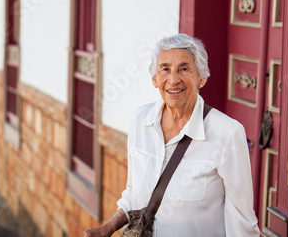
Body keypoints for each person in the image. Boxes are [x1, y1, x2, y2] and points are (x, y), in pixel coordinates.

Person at [84, 33, 260, 236]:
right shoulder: (140, 122)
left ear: (201, 78)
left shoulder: (227, 133)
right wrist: (109, 227)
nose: (173, 79)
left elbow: (242, 223)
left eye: (184, 69)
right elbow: (134, 193)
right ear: (154, 79)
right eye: (165, 69)